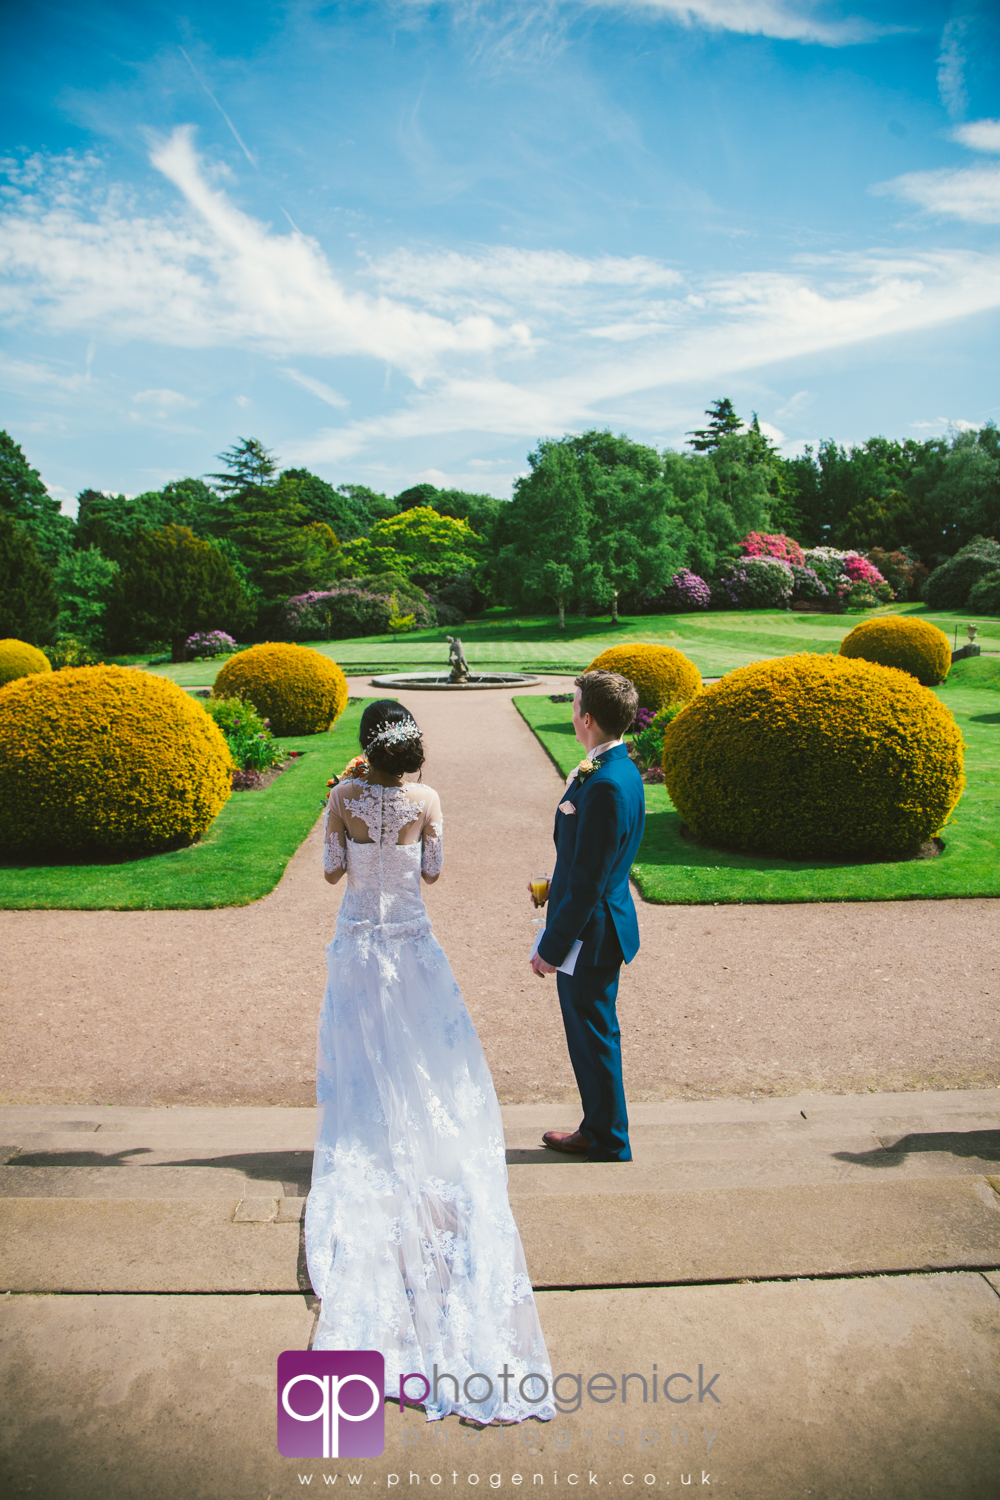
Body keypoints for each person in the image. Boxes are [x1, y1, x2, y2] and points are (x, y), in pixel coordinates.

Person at [305, 699, 555, 1425]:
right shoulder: (427, 800)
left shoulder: (344, 797)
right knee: (423, 1051)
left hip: (359, 940)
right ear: (411, 753)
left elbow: (329, 871)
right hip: (412, 939)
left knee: (365, 1051)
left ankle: (373, 1127)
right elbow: (436, 871)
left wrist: (346, 806)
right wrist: (411, 834)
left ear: (364, 749)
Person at [530, 670, 645, 1163]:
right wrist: (556, 885)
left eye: (574, 705)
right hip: (597, 922)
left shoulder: (605, 786)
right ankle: (599, 1129)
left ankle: (605, 1139)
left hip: (591, 936)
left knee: (593, 1036)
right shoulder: (610, 768)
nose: (571, 713)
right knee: (594, 1033)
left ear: (589, 718)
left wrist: (549, 949)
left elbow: (593, 882)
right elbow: (595, 860)